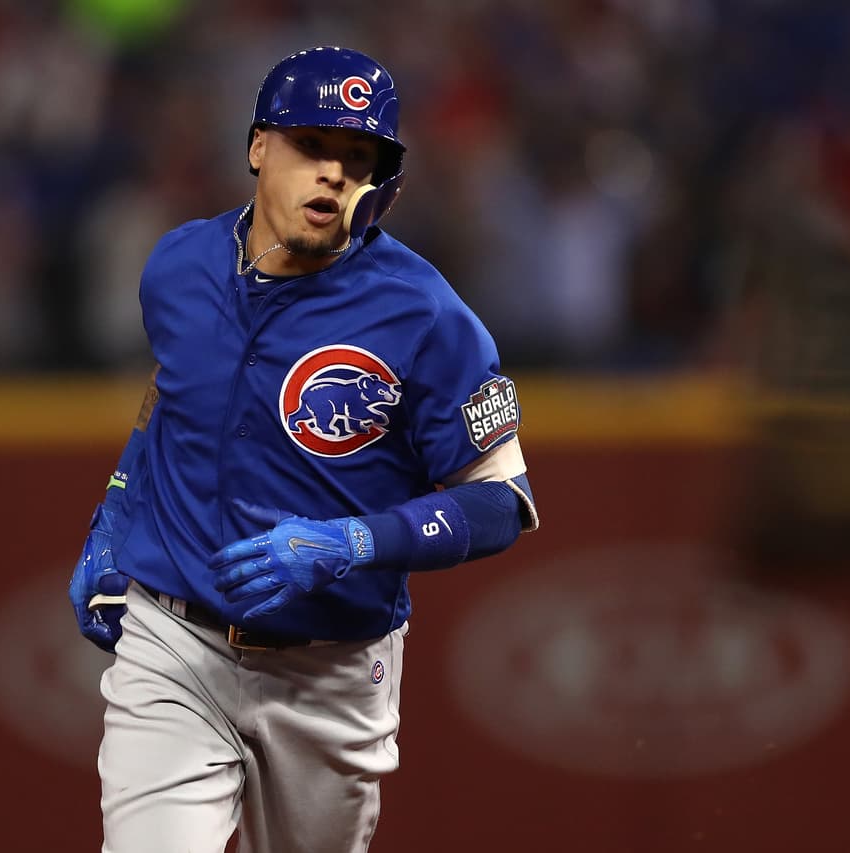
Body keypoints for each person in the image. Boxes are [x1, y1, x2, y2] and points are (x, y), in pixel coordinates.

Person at [69, 46, 539, 853]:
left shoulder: (425, 314)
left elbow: (503, 501)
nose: (334, 175)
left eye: (360, 158)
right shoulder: (178, 266)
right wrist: (115, 507)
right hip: (174, 642)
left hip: (332, 671)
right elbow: (169, 399)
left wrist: (354, 541)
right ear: (259, 147)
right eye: (313, 146)